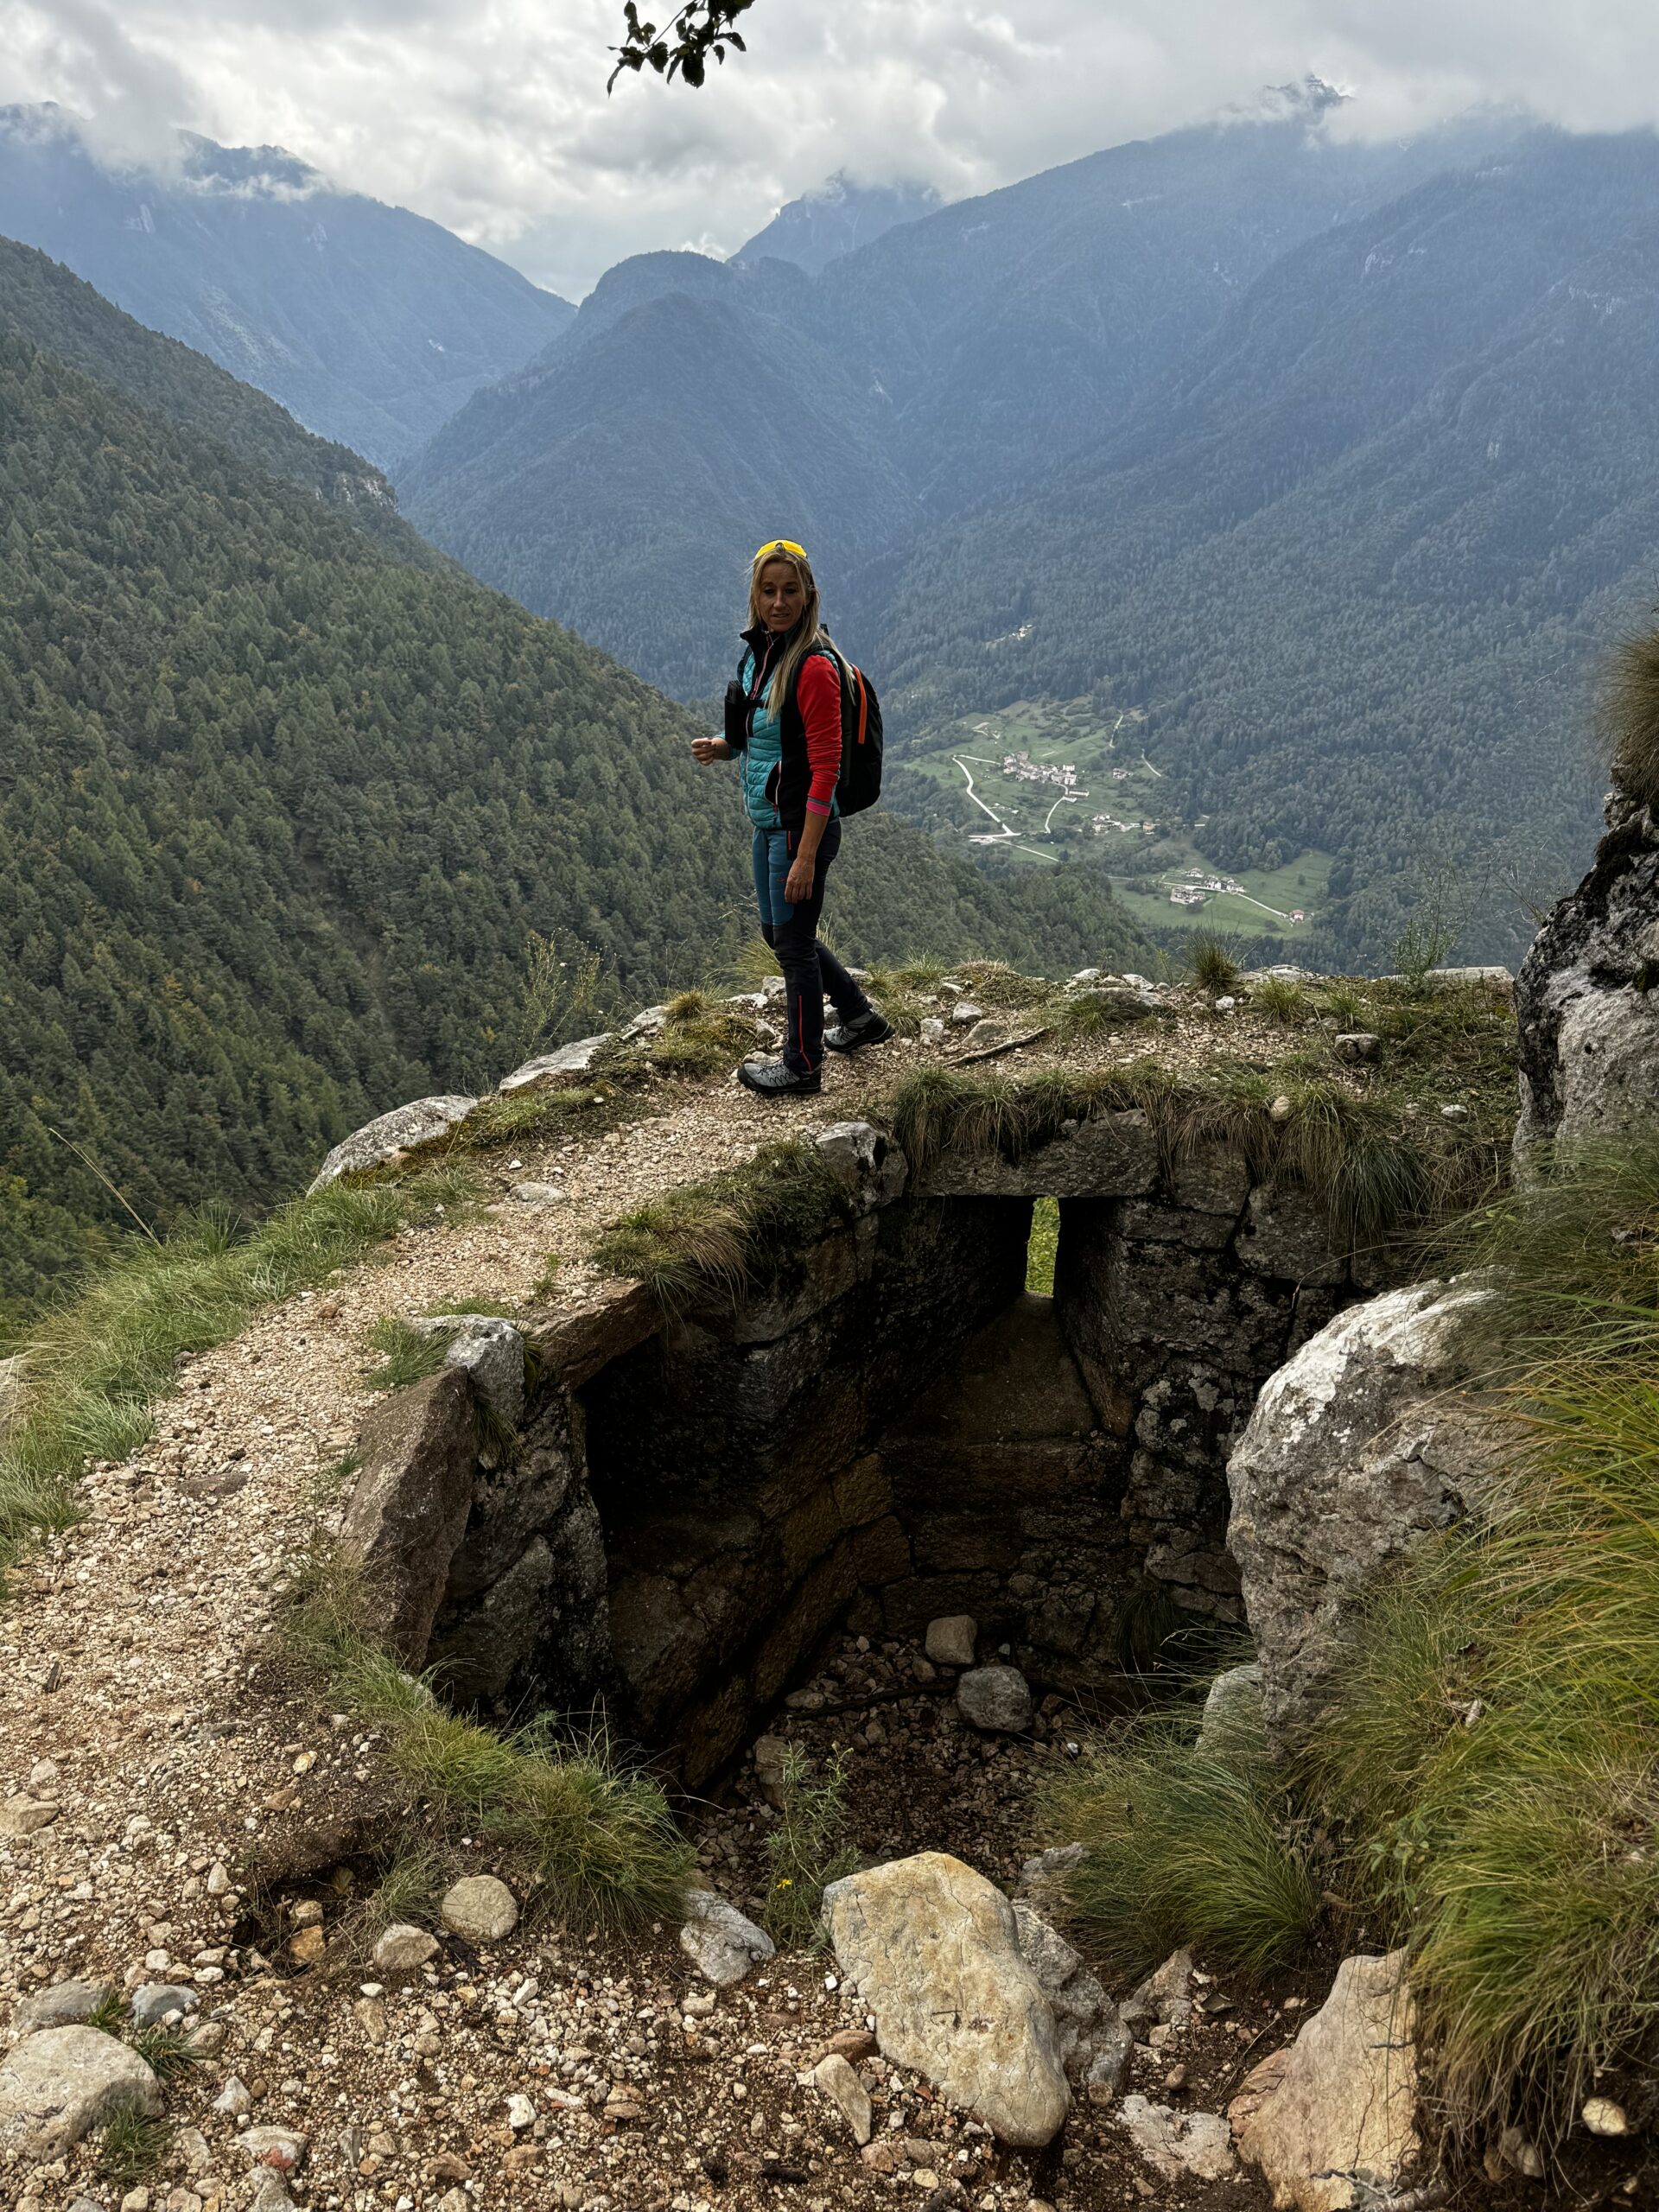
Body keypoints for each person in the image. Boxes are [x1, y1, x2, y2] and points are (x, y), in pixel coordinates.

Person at [691, 538, 892, 1096]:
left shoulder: (813, 667)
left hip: (800, 828)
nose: (778, 601)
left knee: (794, 944)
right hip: (769, 819)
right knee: (779, 933)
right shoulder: (763, 652)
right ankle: (858, 1017)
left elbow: (825, 769)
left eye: (790, 591)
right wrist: (725, 747)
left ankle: (802, 1066)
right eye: (768, 590)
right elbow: (767, 738)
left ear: (809, 597)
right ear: (754, 596)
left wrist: (804, 856)